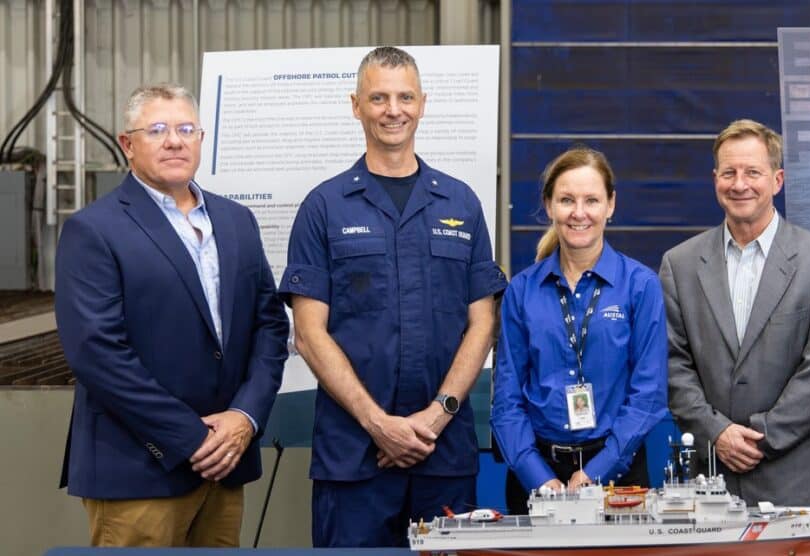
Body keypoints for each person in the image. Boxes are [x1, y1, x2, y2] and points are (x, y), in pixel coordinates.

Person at [279, 46, 506, 547]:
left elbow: (483, 323)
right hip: (354, 456)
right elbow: (309, 334)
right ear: (355, 105)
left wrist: (435, 416)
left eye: (405, 97)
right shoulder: (324, 207)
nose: (393, 110)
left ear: (422, 103)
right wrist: (377, 423)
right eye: (378, 97)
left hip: (442, 454)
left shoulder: (461, 203)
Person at [54, 83, 289, 547]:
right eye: (157, 129)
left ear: (201, 138)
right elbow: (97, 353)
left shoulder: (236, 221)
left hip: (227, 462)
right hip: (139, 468)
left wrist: (244, 417)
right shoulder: (94, 230)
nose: (174, 141)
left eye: (185, 129)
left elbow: (269, 324)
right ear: (128, 144)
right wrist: (191, 438)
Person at [660, 119, 810, 508]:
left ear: (777, 180)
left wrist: (760, 437)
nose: (739, 184)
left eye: (752, 172)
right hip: (711, 479)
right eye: (729, 173)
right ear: (715, 180)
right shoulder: (679, 264)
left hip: (796, 482)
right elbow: (672, 365)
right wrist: (718, 433)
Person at [492, 146, 668, 515]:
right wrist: (538, 477)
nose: (579, 213)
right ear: (549, 206)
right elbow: (507, 400)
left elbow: (648, 394)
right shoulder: (521, 291)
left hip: (619, 473)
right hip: (537, 477)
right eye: (566, 200)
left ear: (610, 205)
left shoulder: (640, 286)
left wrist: (597, 472)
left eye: (591, 200)